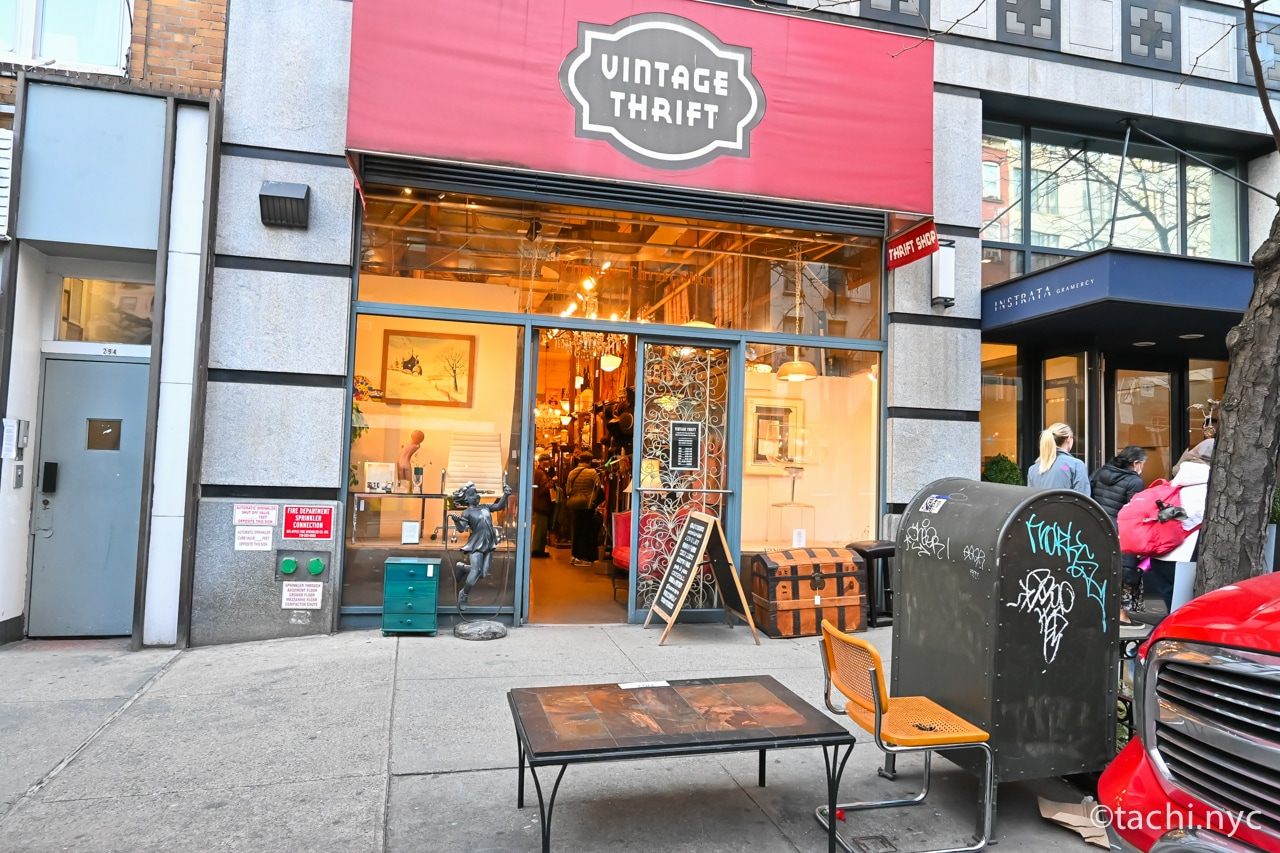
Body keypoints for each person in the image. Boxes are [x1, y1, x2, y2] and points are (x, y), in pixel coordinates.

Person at [1147, 440, 1213, 613]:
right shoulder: (1210, 487)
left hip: (1161, 554)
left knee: (1173, 608)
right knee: (1183, 612)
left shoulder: (1177, 481)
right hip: (1185, 558)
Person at [1091, 446, 1147, 615]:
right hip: (1122, 532)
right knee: (1125, 571)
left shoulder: (1100, 472)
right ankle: (1122, 614)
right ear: (1135, 463)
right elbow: (1135, 512)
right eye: (1143, 463)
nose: (1143, 468)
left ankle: (1101, 609)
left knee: (1102, 569)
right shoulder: (1135, 482)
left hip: (1099, 528)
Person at [450, 481, 512, 608]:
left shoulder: (485, 507)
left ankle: (462, 567)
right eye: (472, 494)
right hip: (476, 544)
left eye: (476, 493)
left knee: (482, 573)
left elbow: (499, 506)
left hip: (489, 543)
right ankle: (464, 595)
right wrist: (456, 521)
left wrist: (506, 495)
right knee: (476, 571)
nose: (476, 496)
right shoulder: (467, 512)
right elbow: (461, 529)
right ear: (467, 499)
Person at [1027, 422, 1090, 496]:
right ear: (1068, 439)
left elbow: (1031, 499)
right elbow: (1083, 498)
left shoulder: (1033, 469)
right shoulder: (1076, 465)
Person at [564, 452, 600, 566]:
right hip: (587, 505)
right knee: (586, 531)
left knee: (576, 530)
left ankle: (575, 556)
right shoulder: (592, 472)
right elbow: (598, 487)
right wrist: (593, 499)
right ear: (590, 461)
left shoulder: (572, 473)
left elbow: (568, 490)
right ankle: (584, 557)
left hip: (574, 505)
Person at [530, 454, 556, 558]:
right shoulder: (541, 473)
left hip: (539, 504)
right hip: (542, 505)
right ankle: (537, 550)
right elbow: (543, 489)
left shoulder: (538, 472)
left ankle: (539, 550)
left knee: (541, 528)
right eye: (548, 461)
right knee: (541, 529)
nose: (549, 463)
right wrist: (552, 482)